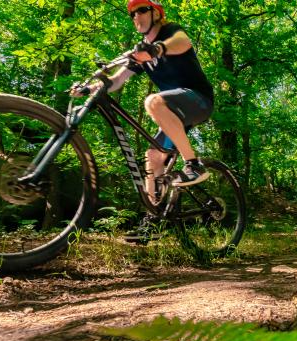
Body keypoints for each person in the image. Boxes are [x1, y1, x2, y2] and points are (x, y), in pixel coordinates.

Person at [71, 0, 214, 239]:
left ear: (156, 13)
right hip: (174, 114)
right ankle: (154, 221)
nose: (136, 16)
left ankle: (193, 165)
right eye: (132, 14)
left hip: (198, 101)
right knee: (153, 156)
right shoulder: (140, 53)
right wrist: (89, 89)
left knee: (153, 101)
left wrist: (157, 49)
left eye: (141, 10)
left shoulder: (169, 33)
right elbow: (115, 82)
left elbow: (183, 43)